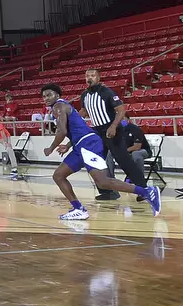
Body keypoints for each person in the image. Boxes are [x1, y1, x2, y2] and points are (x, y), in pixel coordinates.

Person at [40, 83, 161, 220]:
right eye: (43, 96)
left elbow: (63, 131)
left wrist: (50, 148)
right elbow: (75, 129)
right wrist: (68, 145)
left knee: (102, 181)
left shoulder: (59, 106)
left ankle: (147, 191)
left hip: (88, 144)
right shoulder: (60, 107)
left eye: (49, 95)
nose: (46, 98)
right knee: (59, 176)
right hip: (80, 145)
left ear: (57, 95)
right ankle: (79, 209)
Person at [82, 68, 147, 201]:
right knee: (96, 161)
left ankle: (143, 189)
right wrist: (70, 119)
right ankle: (108, 191)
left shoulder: (106, 92)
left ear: (98, 78)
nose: (90, 78)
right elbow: (83, 111)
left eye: (93, 75)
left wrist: (113, 126)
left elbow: (121, 110)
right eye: (88, 76)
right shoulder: (84, 95)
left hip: (112, 129)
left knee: (123, 160)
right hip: (97, 131)